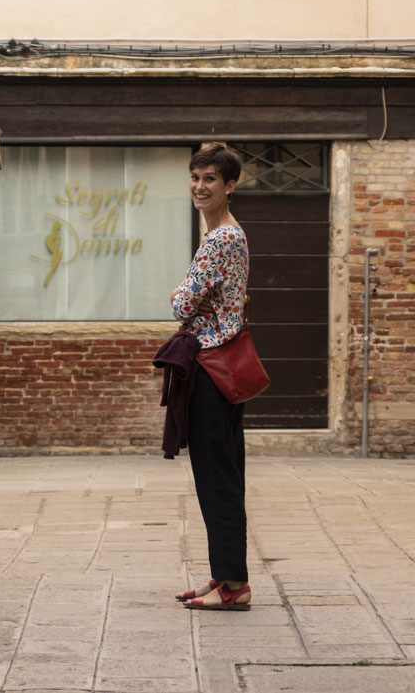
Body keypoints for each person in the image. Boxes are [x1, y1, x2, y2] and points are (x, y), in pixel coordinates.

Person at [170, 142, 251, 611]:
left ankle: (234, 584)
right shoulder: (226, 235)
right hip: (223, 366)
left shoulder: (221, 239)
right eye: (195, 178)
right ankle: (225, 576)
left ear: (230, 186)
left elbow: (181, 304)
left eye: (210, 180)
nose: (200, 187)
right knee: (223, 474)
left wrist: (181, 289)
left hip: (212, 369)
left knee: (216, 477)